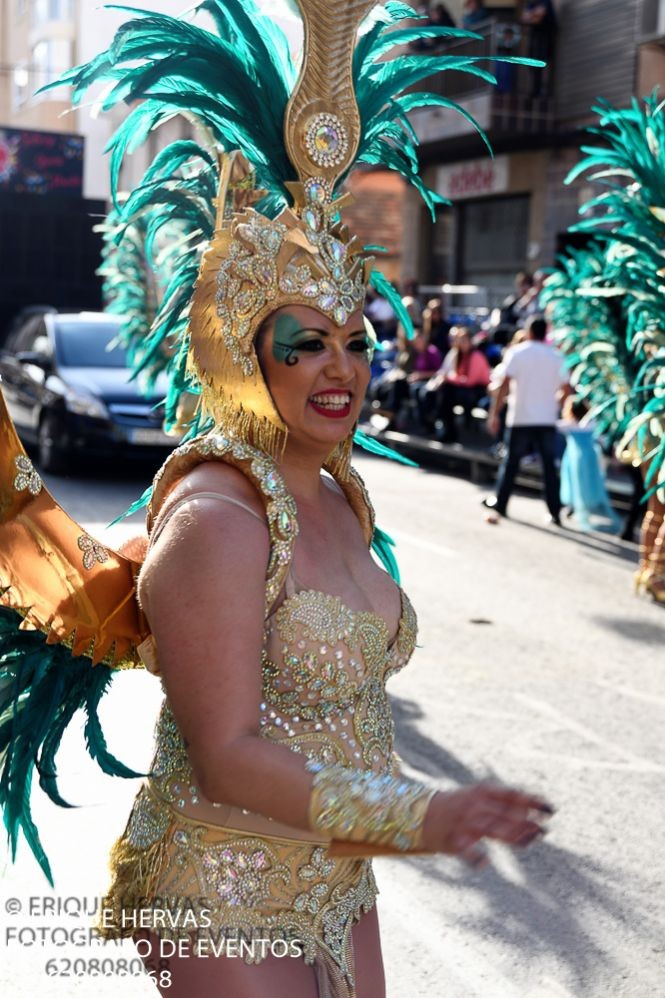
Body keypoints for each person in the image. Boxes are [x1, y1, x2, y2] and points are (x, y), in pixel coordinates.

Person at [0, 5, 554, 997]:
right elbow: (226, 755)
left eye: (353, 340)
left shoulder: (339, 490)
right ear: (244, 358)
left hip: (334, 867)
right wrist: (424, 815)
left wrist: (393, 825)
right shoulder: (218, 519)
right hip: (216, 874)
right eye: (303, 343)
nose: (338, 367)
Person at [483, 315, 571, 524]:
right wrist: (557, 405)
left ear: (529, 331)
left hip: (520, 418)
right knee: (549, 468)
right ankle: (554, 511)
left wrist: (495, 413)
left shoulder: (517, 353)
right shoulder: (556, 357)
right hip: (546, 419)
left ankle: (501, 504)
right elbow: (567, 389)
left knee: (511, 463)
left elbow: (504, 384)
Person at [558, 397, 621, 533]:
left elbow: (554, 426)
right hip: (590, 457)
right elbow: (601, 438)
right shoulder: (592, 423)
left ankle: (577, 510)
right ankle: (579, 509)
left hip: (575, 459)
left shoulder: (569, 424)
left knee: (577, 484)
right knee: (588, 484)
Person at [420, 326, 490, 441]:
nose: (461, 343)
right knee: (444, 392)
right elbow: (448, 373)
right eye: (459, 340)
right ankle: (443, 426)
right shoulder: (457, 354)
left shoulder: (477, 356)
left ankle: (440, 421)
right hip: (463, 390)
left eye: (464, 340)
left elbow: (470, 381)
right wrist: (443, 379)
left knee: (447, 392)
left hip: (478, 391)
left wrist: (448, 378)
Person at [521, 0, 557, 96]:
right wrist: (535, 14)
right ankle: (535, 89)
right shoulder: (531, 3)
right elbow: (525, 18)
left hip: (545, 37)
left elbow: (538, 18)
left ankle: (540, 90)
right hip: (534, 37)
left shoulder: (545, 1)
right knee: (530, 61)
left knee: (541, 63)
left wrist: (533, 16)